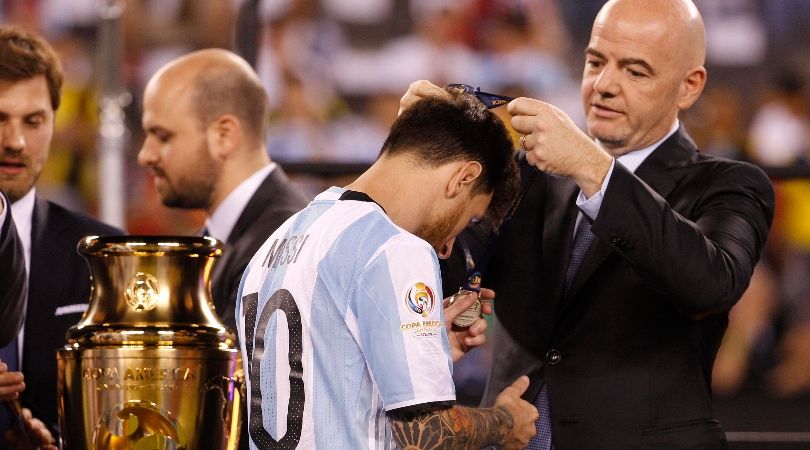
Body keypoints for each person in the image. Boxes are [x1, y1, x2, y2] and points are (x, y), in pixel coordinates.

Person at [402, 0, 775, 448]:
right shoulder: (529, 174)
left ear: (688, 87)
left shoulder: (730, 184)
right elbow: (445, 272)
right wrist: (423, 158)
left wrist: (594, 169)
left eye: (635, 72)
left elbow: (710, 282)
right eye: (596, 61)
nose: (604, 85)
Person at [236, 91, 539, 449]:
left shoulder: (275, 244)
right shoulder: (397, 249)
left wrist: (422, 346)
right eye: (469, 217)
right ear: (463, 177)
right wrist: (506, 422)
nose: (448, 246)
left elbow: (326, 380)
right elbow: (422, 436)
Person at [136, 48, 310, 450]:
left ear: (224, 135)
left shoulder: (278, 242)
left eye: (162, 136)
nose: (146, 154)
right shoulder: (228, 235)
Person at [0, 25, 124, 448]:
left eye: (33, 121)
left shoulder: (104, 254)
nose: (15, 141)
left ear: (55, 120)